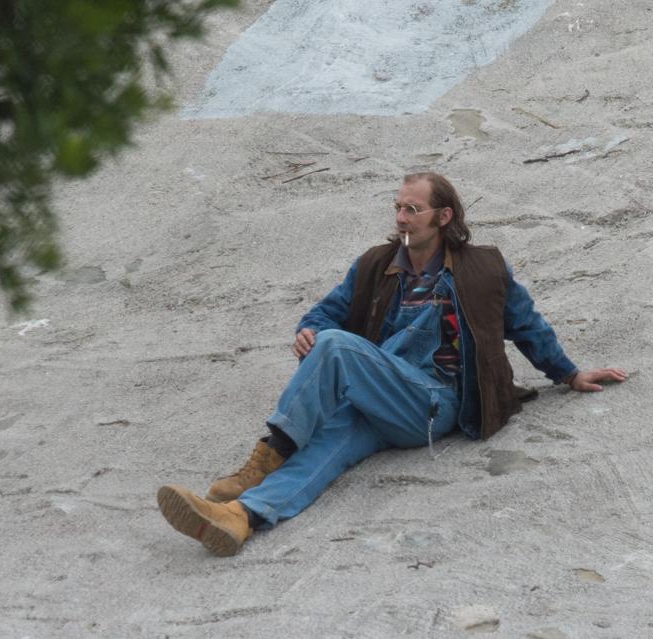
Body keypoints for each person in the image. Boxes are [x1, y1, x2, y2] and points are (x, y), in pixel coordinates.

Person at [156, 172, 628, 556]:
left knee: (338, 347)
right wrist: (308, 329)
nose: (401, 216)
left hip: (435, 402)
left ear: (443, 217)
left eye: (412, 209)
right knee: (327, 446)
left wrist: (568, 373)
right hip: (380, 392)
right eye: (397, 207)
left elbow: (526, 324)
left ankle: (272, 449)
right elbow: (326, 313)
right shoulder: (376, 264)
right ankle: (242, 517)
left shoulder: (483, 267)